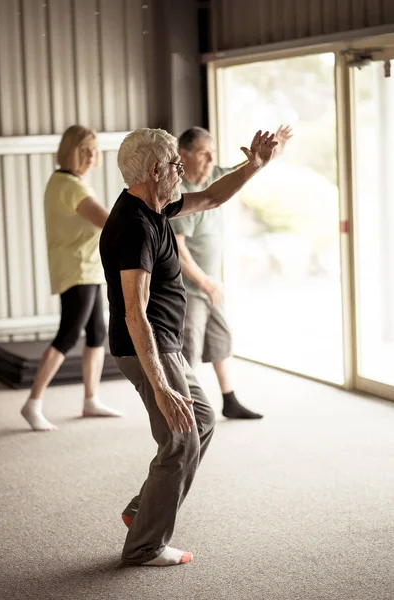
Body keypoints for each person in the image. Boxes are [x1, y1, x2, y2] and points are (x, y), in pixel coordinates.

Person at [99, 127, 278, 566]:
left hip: (165, 346)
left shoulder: (156, 208)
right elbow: (134, 313)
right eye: (178, 166)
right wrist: (161, 386)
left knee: (200, 419)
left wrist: (253, 166)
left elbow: (214, 197)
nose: (183, 173)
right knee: (181, 439)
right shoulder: (135, 227)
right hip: (149, 348)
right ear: (157, 170)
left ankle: (143, 510)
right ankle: (145, 545)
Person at [170, 125, 293, 420]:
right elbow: (178, 251)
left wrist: (274, 150)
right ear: (184, 155)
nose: (211, 159)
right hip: (191, 287)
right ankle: (185, 408)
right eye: (204, 153)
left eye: (213, 152)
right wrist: (204, 282)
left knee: (221, 341)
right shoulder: (181, 193)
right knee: (190, 352)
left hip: (212, 284)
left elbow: (247, 166)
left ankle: (230, 400)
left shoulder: (213, 177)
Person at [21, 125, 122, 432]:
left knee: (96, 334)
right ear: (70, 152)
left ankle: (91, 399)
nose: (91, 156)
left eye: (94, 149)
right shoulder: (72, 186)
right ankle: (33, 403)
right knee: (68, 334)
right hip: (77, 268)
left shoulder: (67, 181)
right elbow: (107, 220)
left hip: (87, 268)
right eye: (84, 150)